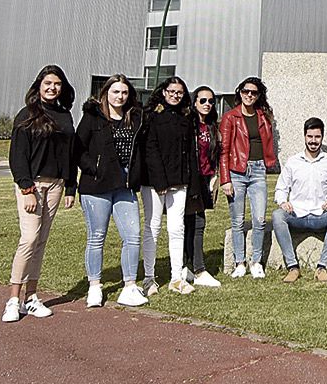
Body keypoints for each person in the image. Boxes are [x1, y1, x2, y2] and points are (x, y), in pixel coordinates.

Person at [3, 65, 76, 323]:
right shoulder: (27, 115)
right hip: (31, 184)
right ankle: (13, 299)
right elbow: (17, 156)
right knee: (29, 238)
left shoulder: (65, 116)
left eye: (57, 84)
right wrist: (27, 189)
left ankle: (31, 298)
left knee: (41, 241)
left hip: (56, 184)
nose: (52, 88)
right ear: (39, 86)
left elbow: (69, 154)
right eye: (47, 83)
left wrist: (70, 187)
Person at [73, 75, 147, 308]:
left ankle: (129, 285)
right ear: (106, 93)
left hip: (124, 187)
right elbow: (78, 149)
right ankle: (95, 285)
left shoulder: (134, 118)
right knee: (97, 236)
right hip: (97, 186)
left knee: (133, 236)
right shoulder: (92, 117)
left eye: (124, 92)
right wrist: (93, 168)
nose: (120, 97)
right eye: (116, 92)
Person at [271, 117, 327, 283]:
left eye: (317, 137)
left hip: (321, 215)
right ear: (305, 136)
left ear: (322, 137)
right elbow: (281, 188)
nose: (313, 141)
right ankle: (292, 267)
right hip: (296, 214)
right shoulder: (293, 162)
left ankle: (322, 267)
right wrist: (283, 202)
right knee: (277, 215)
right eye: (310, 136)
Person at [220, 77, 279, 279]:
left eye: (254, 92)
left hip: (258, 170)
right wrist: (225, 179)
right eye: (246, 91)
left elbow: (268, 143)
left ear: (259, 95)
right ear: (240, 92)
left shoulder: (263, 117)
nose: (249, 95)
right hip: (236, 171)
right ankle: (239, 262)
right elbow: (224, 150)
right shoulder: (230, 117)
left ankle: (256, 261)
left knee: (260, 219)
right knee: (237, 221)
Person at [141, 76, 195, 295]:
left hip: (179, 182)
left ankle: (176, 277)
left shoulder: (186, 118)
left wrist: (189, 181)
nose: (175, 95)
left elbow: (189, 151)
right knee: (152, 227)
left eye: (179, 92)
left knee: (176, 228)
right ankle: (148, 278)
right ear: (163, 92)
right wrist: (159, 181)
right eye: (172, 91)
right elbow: (150, 149)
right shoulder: (152, 116)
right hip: (154, 182)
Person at [182, 86, 222, 288]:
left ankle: (188, 265)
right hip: (190, 180)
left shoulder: (213, 126)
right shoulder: (189, 125)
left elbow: (214, 155)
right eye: (203, 100)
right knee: (194, 223)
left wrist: (215, 176)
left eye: (211, 101)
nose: (207, 104)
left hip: (206, 179)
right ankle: (197, 268)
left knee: (194, 222)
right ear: (194, 102)